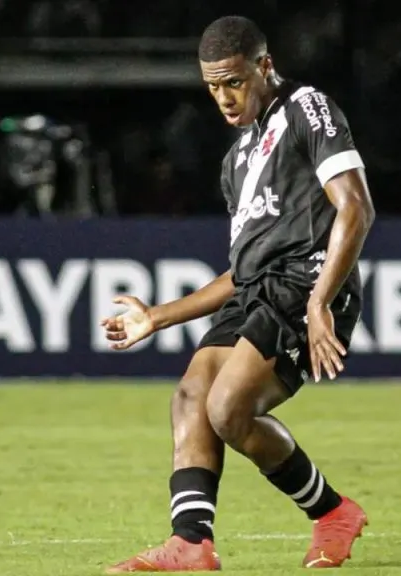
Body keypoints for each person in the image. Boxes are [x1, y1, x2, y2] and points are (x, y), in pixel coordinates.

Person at [101, 16, 375, 572]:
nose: (224, 98)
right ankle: (191, 542)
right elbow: (239, 272)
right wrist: (157, 317)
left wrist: (320, 301)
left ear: (264, 65)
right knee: (190, 397)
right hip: (259, 290)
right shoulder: (237, 161)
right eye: (212, 87)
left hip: (307, 282)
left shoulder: (305, 108)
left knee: (228, 410)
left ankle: (333, 513)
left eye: (233, 82)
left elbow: (355, 206)